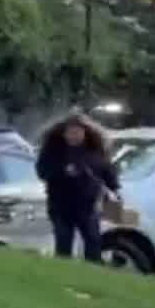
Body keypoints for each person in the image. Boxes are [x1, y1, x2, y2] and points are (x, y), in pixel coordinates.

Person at [35, 111, 121, 263]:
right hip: (60, 204)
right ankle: (63, 267)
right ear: (64, 133)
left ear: (85, 132)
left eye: (78, 132)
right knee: (63, 240)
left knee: (93, 239)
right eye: (71, 132)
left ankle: (93, 267)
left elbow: (107, 171)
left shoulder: (94, 150)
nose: (74, 136)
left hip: (87, 205)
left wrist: (115, 189)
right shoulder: (53, 150)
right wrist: (62, 171)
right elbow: (42, 172)